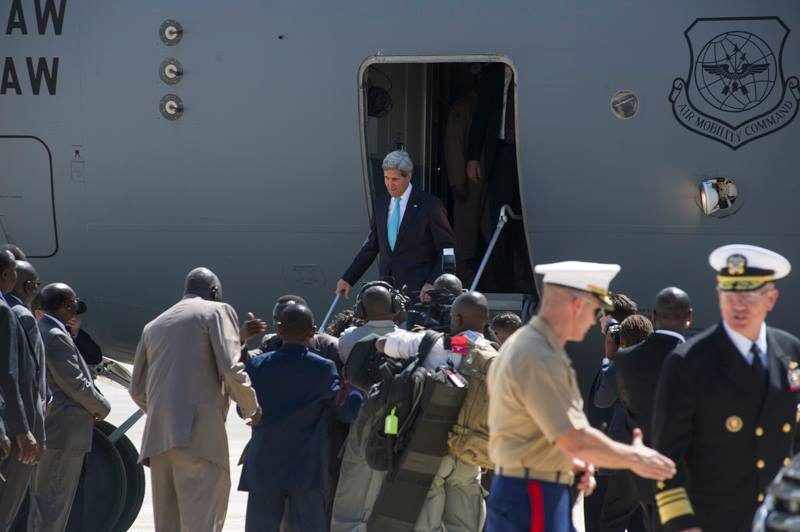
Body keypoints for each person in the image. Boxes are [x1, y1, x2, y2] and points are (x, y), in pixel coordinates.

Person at [486, 261, 675, 532]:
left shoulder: (532, 346)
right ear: (576, 305)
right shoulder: (539, 356)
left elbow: (538, 428)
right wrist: (635, 458)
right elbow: (573, 438)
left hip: (535, 487)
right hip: (534, 494)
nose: (594, 322)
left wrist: (571, 461)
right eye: (595, 311)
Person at [652, 245, 800, 531]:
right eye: (729, 295)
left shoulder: (791, 352)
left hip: (781, 519)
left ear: (771, 298)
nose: (738, 305)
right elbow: (666, 455)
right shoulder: (688, 362)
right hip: (714, 520)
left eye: (748, 295)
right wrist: (683, 523)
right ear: (719, 296)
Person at [130, 268, 260, 532]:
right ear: (214, 292)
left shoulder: (154, 325)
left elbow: (136, 389)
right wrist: (252, 408)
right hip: (198, 437)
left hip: (159, 440)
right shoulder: (217, 310)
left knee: (169, 525)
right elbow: (231, 368)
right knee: (203, 522)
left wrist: (166, 412)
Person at [375, 291, 496, 532]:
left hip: (433, 447)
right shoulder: (497, 354)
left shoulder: (446, 344)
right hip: (472, 451)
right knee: (464, 523)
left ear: (458, 319)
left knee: (426, 518)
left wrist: (423, 337)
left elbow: (383, 344)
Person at [239, 303, 362, 532]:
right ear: (313, 331)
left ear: (279, 330)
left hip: (263, 465)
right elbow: (345, 412)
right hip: (306, 469)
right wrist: (358, 392)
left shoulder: (256, 365)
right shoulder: (323, 368)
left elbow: (243, 410)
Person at [28, 283, 111, 532]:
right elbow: (75, 384)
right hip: (62, 434)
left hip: (55, 430)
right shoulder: (54, 336)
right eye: (74, 300)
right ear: (67, 306)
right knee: (53, 502)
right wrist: (102, 407)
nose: (77, 304)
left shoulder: (43, 330)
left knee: (45, 503)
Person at [614, 287, 692, 531]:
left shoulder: (626, 359)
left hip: (642, 468)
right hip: (685, 472)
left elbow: (626, 406)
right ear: (689, 317)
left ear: (655, 316)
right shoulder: (698, 358)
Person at [330, 283, 404, 531]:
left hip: (361, 414)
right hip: (395, 416)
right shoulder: (408, 338)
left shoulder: (349, 337)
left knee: (355, 477)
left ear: (361, 309)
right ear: (394, 307)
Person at [336, 150, 456, 301]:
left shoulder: (430, 205)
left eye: (395, 179)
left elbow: (447, 249)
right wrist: (348, 278)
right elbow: (372, 246)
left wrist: (433, 283)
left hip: (420, 294)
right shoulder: (380, 204)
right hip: (388, 295)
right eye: (386, 178)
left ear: (408, 176)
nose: (389, 184)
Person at [465, 63, 531, 293]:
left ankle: (531, 282)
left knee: (530, 220)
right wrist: (473, 158)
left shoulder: (535, 69)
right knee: (499, 221)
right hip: (500, 152)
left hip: (530, 152)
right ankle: (505, 285)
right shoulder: (493, 72)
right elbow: (480, 115)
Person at [592, 313, 653, 532]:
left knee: (613, 520)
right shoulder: (665, 361)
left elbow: (602, 400)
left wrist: (608, 357)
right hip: (655, 451)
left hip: (626, 453)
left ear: (622, 339)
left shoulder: (620, 364)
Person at [0, 260, 48, 530]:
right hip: (9, 427)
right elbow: (16, 377)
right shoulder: (11, 314)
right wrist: (27, 430)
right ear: (7, 276)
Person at [584, 292, 638, 532]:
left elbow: (603, 402)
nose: (599, 321)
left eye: (602, 316)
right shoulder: (636, 353)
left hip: (608, 455)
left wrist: (609, 357)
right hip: (625, 452)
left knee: (599, 520)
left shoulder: (616, 357)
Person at [444, 67, 488, 284]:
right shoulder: (463, 109)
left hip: (486, 180)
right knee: (464, 236)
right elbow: (454, 145)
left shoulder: (483, 107)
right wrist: (457, 182)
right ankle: (461, 279)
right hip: (469, 184)